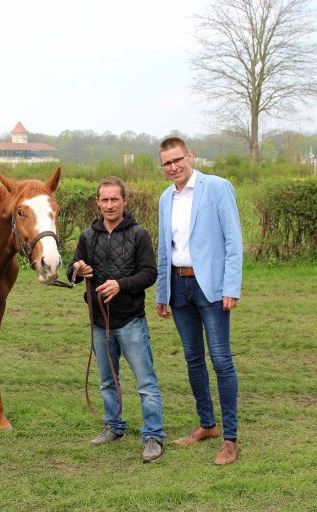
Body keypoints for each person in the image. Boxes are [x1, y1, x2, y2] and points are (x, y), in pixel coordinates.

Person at [155, 137, 243, 465]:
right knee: (193, 360)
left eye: (178, 160)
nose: (173, 167)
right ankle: (207, 424)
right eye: (167, 163)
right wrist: (163, 293)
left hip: (211, 288)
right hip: (178, 287)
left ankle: (230, 440)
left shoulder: (217, 187)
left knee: (221, 360)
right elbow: (166, 248)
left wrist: (231, 287)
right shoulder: (166, 198)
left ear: (189, 156)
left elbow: (234, 240)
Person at [68, 176, 165, 463]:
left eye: (114, 199)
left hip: (131, 320)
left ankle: (153, 435)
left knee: (145, 382)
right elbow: (71, 273)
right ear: (97, 203)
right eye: (104, 199)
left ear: (125, 201)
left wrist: (121, 284)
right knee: (107, 381)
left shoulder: (138, 234)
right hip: (99, 322)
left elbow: (150, 273)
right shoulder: (88, 236)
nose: (109, 205)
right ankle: (114, 427)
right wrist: (78, 269)